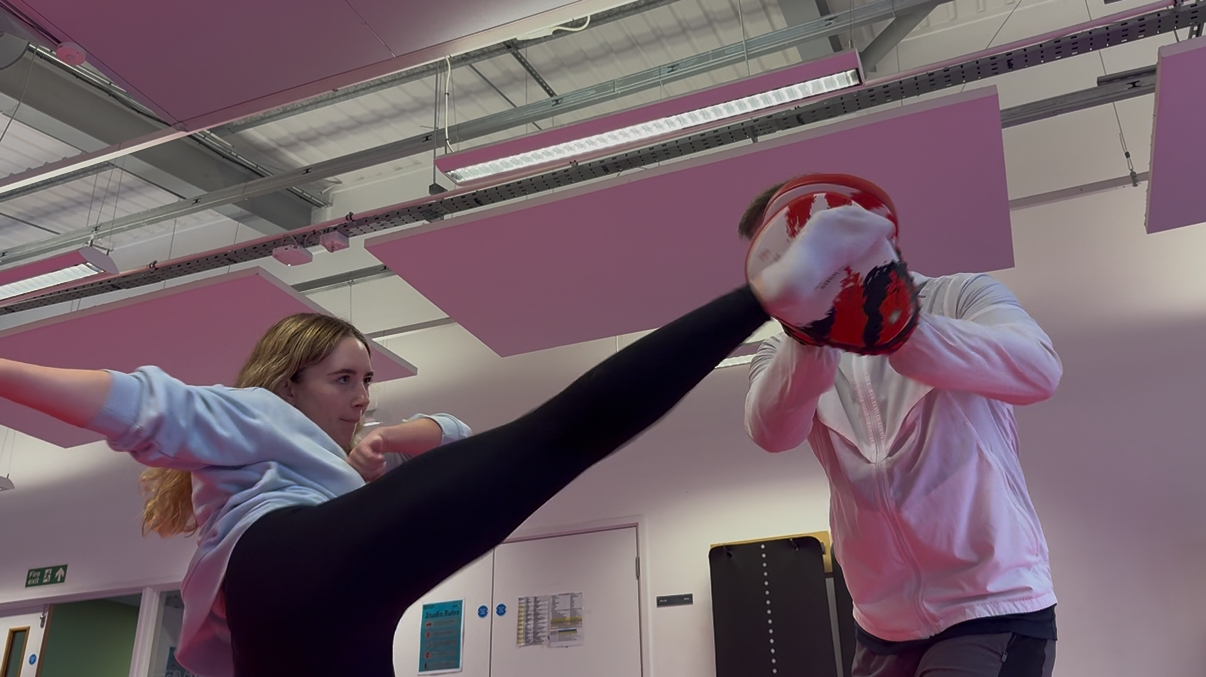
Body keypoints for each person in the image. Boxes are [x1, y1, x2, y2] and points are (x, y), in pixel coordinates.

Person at [0, 205, 893, 677]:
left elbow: (459, 436)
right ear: (290, 383)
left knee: (547, 442)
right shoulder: (257, 418)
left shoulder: (337, 471)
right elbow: (132, 402)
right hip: (283, 571)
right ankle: (768, 292)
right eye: (343, 380)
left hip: (314, 631)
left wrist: (386, 437)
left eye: (366, 379)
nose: (359, 398)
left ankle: (772, 294)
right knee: (558, 437)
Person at [739, 179, 1063, 677]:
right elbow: (771, 432)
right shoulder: (785, 352)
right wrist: (811, 334)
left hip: (989, 603)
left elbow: (1039, 370)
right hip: (881, 624)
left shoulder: (961, 294)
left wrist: (890, 320)